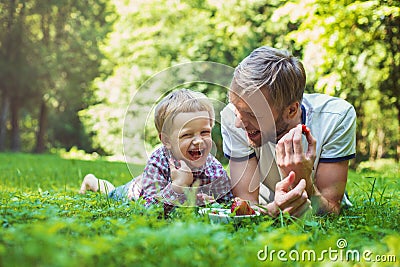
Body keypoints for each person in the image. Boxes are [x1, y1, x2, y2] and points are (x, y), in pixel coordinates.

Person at [221, 46, 356, 217]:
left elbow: (331, 210)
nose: (238, 122)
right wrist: (274, 209)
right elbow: (245, 207)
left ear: (291, 111)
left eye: (251, 114)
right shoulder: (231, 117)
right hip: (266, 202)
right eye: (236, 109)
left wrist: (304, 180)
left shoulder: (336, 117)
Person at [80, 89, 233, 210]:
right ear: (167, 140)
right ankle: (91, 181)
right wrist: (178, 186)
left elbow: (227, 201)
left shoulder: (214, 168)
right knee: (111, 193)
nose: (199, 140)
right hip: (137, 191)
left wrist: (212, 203)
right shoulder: (158, 162)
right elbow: (150, 211)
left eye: (205, 132)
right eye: (187, 135)